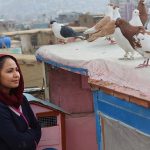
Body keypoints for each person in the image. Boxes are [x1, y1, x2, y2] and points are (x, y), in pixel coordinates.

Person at [0, 54, 41, 150]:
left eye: (17, 70)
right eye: (10, 71)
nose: (16, 75)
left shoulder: (21, 99)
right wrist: (31, 135)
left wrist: (25, 139)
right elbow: (18, 144)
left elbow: (37, 128)